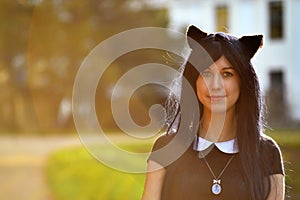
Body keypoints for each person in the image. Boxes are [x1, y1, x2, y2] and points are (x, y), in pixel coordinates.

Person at [141, 25, 285, 200]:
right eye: (206, 73)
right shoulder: (166, 148)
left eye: (227, 74)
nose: (215, 85)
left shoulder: (267, 153)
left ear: (243, 82)